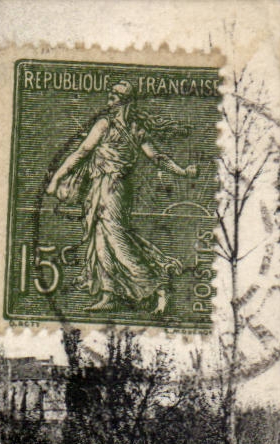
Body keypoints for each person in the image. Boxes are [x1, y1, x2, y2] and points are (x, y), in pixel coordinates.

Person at [44, 81, 196, 315]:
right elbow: (83, 153)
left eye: (114, 96)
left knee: (117, 241)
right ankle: (110, 294)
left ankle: (159, 286)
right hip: (101, 187)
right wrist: (58, 177)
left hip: (113, 189)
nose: (109, 99)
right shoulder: (123, 126)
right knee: (101, 240)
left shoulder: (114, 126)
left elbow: (156, 157)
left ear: (125, 100)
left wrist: (182, 171)